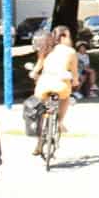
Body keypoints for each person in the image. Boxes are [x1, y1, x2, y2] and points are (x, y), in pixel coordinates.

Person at [29, 26, 77, 155]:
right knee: (66, 98)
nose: (70, 39)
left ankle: (39, 144)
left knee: (40, 113)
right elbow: (74, 72)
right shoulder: (70, 51)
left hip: (44, 85)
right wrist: (76, 81)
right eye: (68, 36)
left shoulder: (46, 49)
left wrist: (33, 73)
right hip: (61, 85)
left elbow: (38, 66)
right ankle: (60, 122)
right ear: (63, 37)